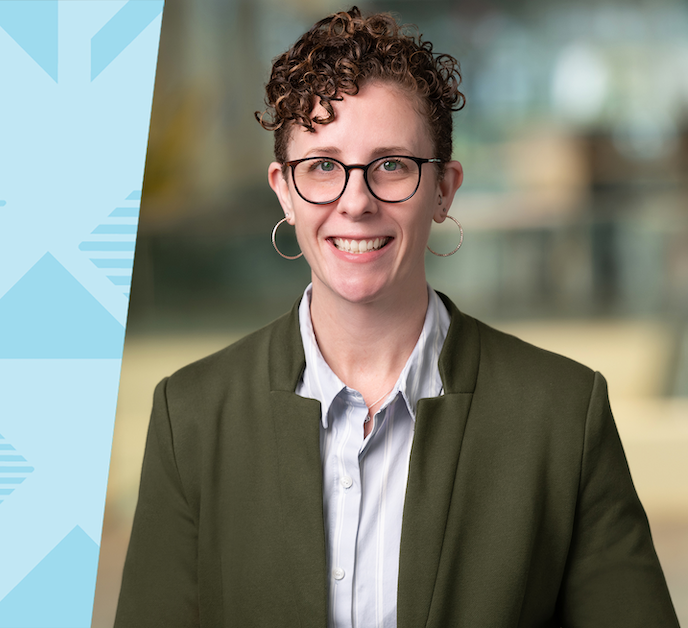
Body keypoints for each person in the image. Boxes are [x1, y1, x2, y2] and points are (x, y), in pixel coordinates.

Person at [113, 7, 679, 628]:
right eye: (323, 166)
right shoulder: (190, 416)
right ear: (283, 188)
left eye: (391, 165)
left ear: (444, 189)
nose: (355, 202)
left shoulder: (564, 415)